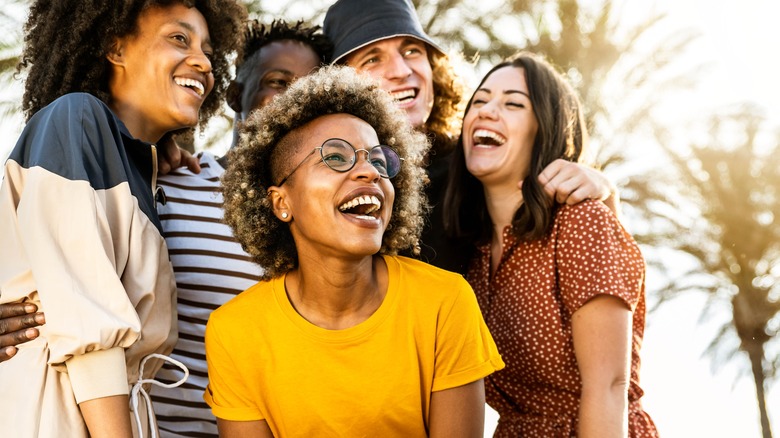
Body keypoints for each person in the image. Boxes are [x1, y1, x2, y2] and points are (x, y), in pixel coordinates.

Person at [204, 65, 504, 437]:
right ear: (282, 202)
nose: (370, 172)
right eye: (335, 157)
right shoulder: (234, 333)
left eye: (379, 160)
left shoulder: (445, 302)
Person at [0, 0, 244, 436]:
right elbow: (86, 320)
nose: (204, 62)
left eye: (208, 50)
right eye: (179, 38)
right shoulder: (77, 121)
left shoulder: (140, 171)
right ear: (115, 49)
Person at [443, 52, 658, 437]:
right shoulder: (469, 254)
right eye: (480, 100)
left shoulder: (580, 221)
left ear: (545, 129)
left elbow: (609, 387)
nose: (487, 111)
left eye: (513, 103)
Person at [323, 0, 617, 274]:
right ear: (339, 86)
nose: (401, 70)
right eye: (373, 59)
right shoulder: (324, 182)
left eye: (412, 51)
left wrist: (605, 193)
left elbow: (589, 253)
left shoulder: (473, 164)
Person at [151, 19, 331, 437]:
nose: (296, 100)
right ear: (235, 95)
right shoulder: (169, 181)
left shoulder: (324, 220)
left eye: (310, 89)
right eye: (279, 81)